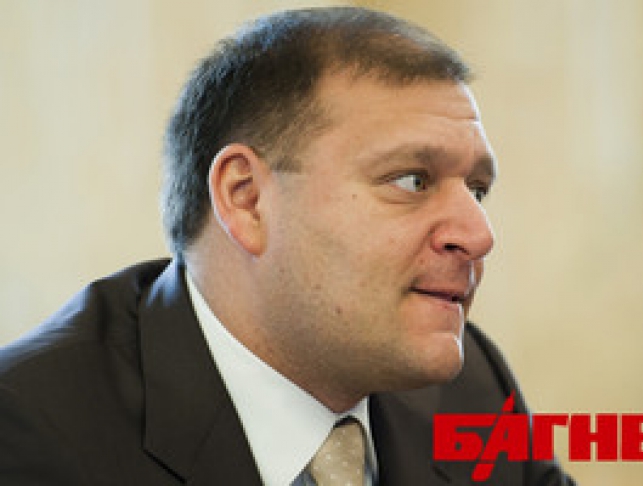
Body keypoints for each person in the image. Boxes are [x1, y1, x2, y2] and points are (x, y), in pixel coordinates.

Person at [0, 7, 575, 485]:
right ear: (247, 199)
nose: (479, 234)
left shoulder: (471, 389)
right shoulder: (32, 429)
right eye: (411, 180)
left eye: (477, 189)